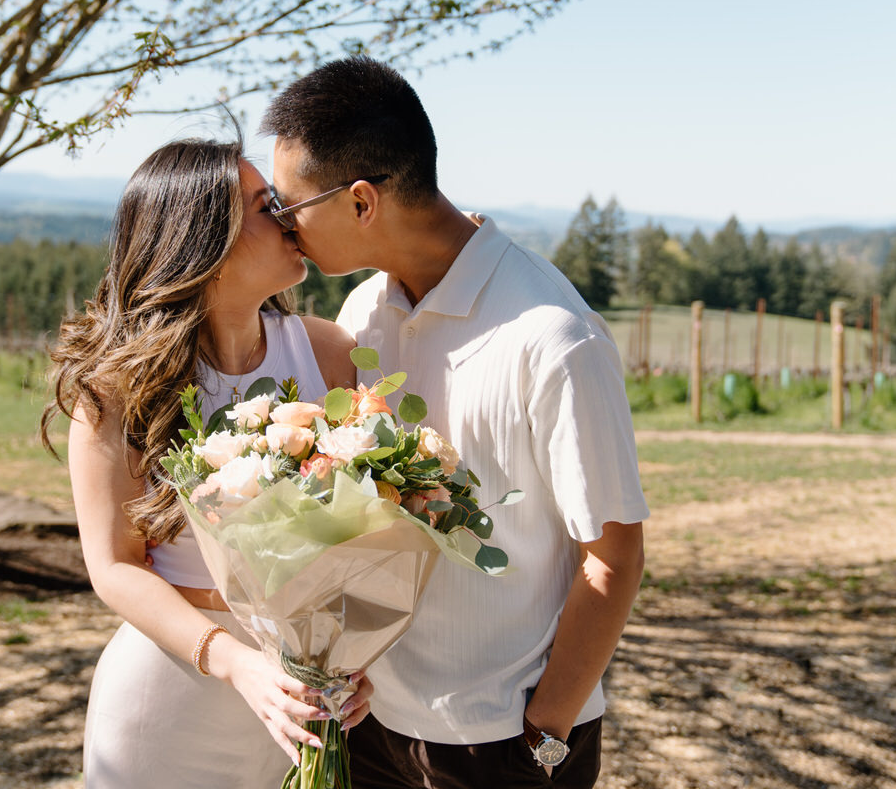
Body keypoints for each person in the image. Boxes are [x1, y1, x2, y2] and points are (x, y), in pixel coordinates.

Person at [261, 56, 649, 789]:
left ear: (363, 202)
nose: (282, 225)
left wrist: (547, 730)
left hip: (502, 742)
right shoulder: (364, 315)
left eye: (289, 205)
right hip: (373, 723)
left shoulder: (555, 337)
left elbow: (615, 555)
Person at [45, 135, 372, 789]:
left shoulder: (331, 356)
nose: (287, 217)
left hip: (298, 699)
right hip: (170, 697)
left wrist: (351, 655)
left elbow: (370, 526)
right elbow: (113, 567)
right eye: (262, 205)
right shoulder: (117, 390)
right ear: (206, 241)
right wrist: (233, 663)